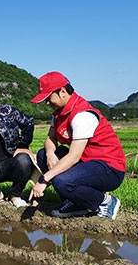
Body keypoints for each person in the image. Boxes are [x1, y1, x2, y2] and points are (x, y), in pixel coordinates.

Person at [29, 72, 125, 219]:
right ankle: (77, 203)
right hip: (86, 163)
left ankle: (105, 201)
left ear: (62, 92)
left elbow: (74, 156)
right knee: (43, 155)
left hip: (108, 168)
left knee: (62, 181)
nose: (47, 103)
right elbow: (51, 138)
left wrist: (44, 179)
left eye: (48, 98)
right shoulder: (58, 113)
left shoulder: (82, 115)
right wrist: (50, 154)